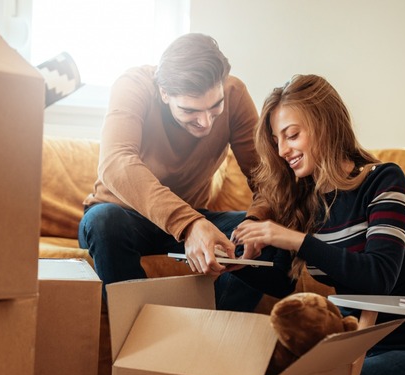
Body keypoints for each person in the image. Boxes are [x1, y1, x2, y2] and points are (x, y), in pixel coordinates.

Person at [231, 74, 405, 375]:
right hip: (353, 346)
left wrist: (295, 239)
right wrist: (237, 264)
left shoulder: (383, 180)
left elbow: (378, 276)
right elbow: (282, 281)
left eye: (292, 134)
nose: (283, 149)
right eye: (277, 140)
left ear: (325, 126)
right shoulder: (306, 198)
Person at [78, 33, 267, 309]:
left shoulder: (235, 94)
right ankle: (139, 336)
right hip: (122, 218)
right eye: (190, 110)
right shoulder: (134, 85)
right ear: (164, 93)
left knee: (269, 235)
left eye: (215, 107)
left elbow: (266, 178)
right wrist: (189, 224)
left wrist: (257, 220)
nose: (205, 123)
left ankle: (213, 330)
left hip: (189, 219)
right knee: (104, 221)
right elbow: (116, 162)